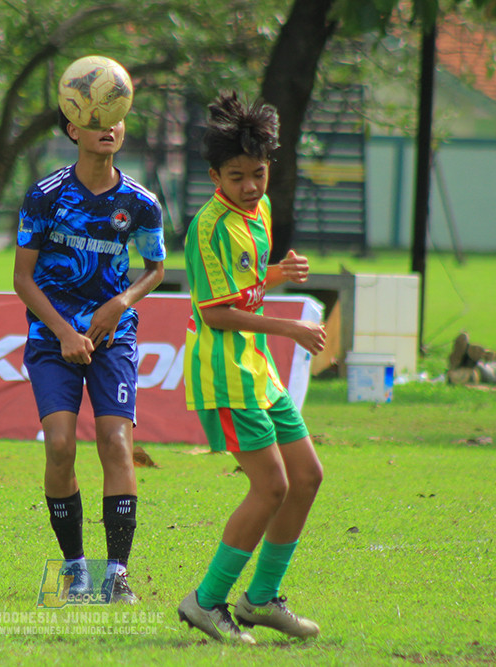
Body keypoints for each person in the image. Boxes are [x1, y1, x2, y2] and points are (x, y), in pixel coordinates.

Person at [175, 92, 327, 644]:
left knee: (307, 477)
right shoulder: (212, 225)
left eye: (258, 174)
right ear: (215, 174)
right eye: (236, 176)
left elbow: (243, 279)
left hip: (257, 367)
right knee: (271, 488)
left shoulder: (256, 211)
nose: (249, 187)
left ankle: (262, 600)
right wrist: (290, 327)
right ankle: (206, 601)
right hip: (226, 372)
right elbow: (216, 312)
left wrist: (277, 274)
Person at [13, 99, 166, 605]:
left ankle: (117, 574)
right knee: (59, 445)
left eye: (116, 118)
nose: (109, 128)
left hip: (112, 336)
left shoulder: (141, 202)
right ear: (72, 130)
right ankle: (76, 569)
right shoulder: (45, 195)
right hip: (53, 336)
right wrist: (62, 331)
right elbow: (22, 278)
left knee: (115, 443)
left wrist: (118, 304)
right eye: (96, 121)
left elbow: (155, 269)